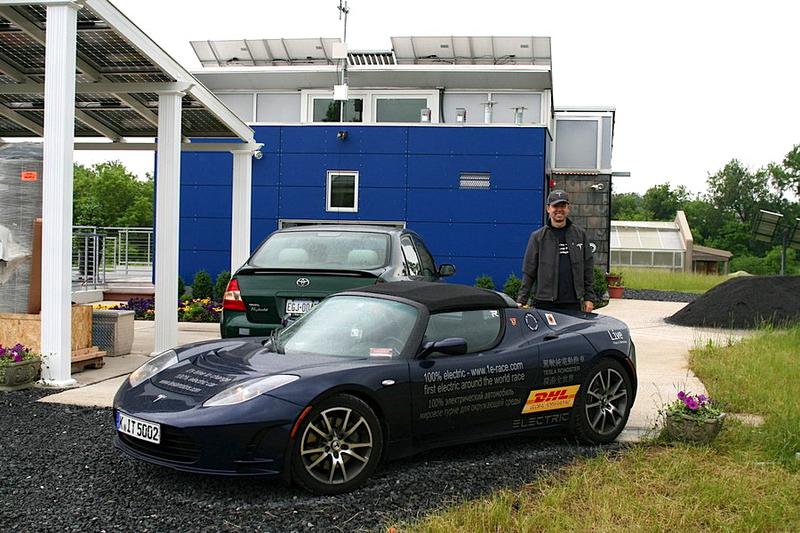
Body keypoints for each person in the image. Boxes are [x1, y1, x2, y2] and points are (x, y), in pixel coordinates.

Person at [516, 189, 595, 313]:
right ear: (548, 209)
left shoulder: (580, 235)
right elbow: (529, 271)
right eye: (555, 206)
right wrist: (522, 300)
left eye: (563, 206)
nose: (559, 209)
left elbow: (588, 269)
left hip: (572, 302)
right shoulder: (537, 237)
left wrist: (589, 298)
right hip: (544, 303)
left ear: (568, 208)